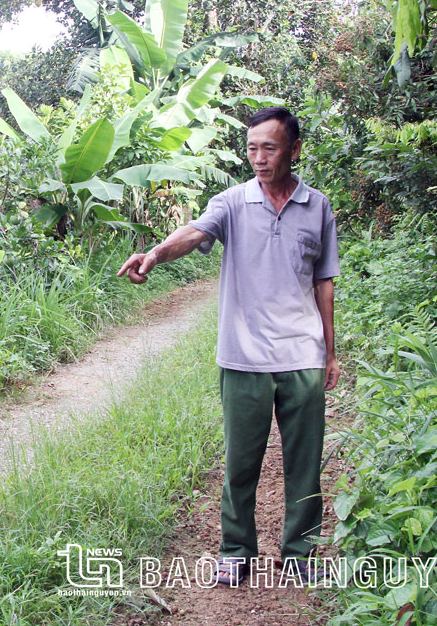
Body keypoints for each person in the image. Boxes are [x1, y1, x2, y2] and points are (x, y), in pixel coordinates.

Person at [117, 106, 340, 586]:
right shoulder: (233, 202)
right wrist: (154, 253)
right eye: (252, 148)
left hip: (302, 353)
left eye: (270, 148)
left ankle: (301, 551)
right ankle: (236, 548)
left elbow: (324, 282)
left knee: (305, 463)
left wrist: (330, 351)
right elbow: (195, 231)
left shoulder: (317, 207)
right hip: (243, 355)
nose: (259, 158)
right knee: (241, 462)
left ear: (294, 150)